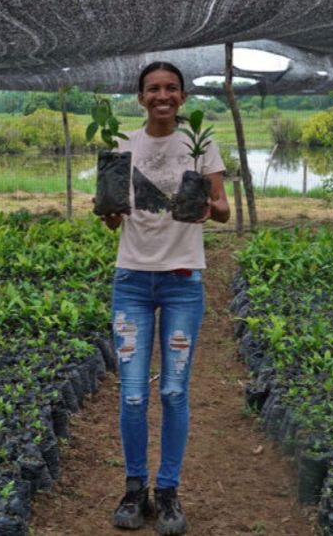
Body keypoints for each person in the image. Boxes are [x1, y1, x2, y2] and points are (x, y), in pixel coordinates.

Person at [99, 61, 230, 535]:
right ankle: (135, 489)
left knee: (174, 389)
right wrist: (107, 209)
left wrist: (209, 207)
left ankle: (168, 489)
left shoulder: (202, 145)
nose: (163, 95)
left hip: (182, 283)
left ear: (183, 97)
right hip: (132, 280)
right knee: (133, 395)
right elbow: (112, 219)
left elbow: (222, 211)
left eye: (171, 88)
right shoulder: (121, 145)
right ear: (140, 98)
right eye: (153, 88)